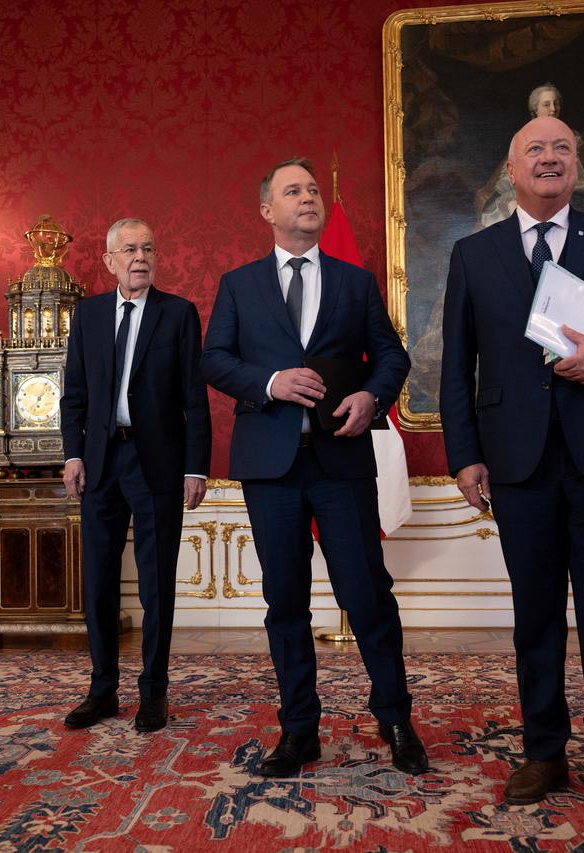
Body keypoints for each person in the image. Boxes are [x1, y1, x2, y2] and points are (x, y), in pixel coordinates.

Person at [440, 116, 584, 813]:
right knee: (534, 614)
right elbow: (458, 366)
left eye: (562, 149)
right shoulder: (473, 254)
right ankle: (543, 752)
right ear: (512, 171)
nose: (550, 158)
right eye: (535, 149)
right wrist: (464, 456)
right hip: (517, 462)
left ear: (577, 167)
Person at [202, 158, 427, 777]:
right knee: (286, 602)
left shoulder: (356, 281)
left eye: (314, 189)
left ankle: (397, 720)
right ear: (267, 211)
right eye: (293, 191)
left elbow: (391, 356)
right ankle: (299, 731)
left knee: (368, 595)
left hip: (341, 461)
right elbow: (215, 360)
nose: (308, 198)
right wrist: (270, 381)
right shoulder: (239, 285)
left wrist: (372, 397)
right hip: (270, 468)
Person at [59, 218, 212, 733]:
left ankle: (154, 693)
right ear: (109, 261)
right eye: (129, 249)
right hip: (100, 463)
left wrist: (196, 465)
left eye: (148, 247)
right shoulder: (89, 315)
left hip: (159, 466)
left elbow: (195, 397)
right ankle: (102, 689)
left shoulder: (179, 314)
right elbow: (73, 393)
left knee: (156, 585)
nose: (140, 257)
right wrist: (72, 454)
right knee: (98, 582)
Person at [474, 83, 584, 229]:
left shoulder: (573, 138)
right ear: (535, 109)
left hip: (575, 202)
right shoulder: (523, 140)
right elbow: (510, 181)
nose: (553, 108)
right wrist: (515, 204)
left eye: (556, 103)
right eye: (546, 104)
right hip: (532, 205)